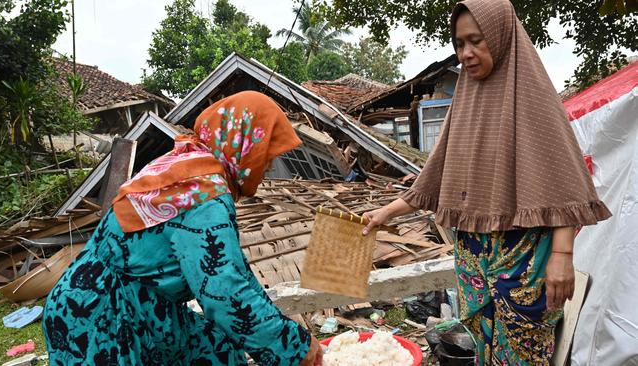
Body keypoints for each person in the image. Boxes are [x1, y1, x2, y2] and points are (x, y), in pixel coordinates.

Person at [362, 1, 611, 364]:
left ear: (500, 37)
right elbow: (438, 172)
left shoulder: (533, 97)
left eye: (476, 41)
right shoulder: (465, 99)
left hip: (523, 258)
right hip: (473, 258)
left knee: (523, 353)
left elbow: (562, 180)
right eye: (460, 44)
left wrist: (562, 254)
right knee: (483, 348)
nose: (466, 53)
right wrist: (387, 211)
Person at [43, 91, 324, 366]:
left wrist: (289, 337)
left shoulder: (187, 168)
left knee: (215, 347)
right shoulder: (204, 195)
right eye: (267, 153)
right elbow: (225, 291)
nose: (269, 165)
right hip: (98, 314)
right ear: (245, 145)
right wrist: (295, 347)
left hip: (137, 303)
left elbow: (232, 273)